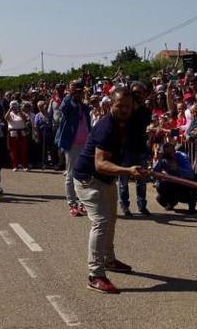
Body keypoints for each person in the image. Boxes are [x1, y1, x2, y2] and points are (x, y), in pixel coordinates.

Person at [72, 87, 149, 294]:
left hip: (106, 179)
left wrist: (140, 166)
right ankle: (95, 274)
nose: (124, 109)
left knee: (111, 218)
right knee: (101, 221)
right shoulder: (106, 127)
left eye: (127, 106)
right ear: (110, 106)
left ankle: (108, 260)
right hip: (88, 179)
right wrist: (128, 170)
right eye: (119, 106)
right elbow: (100, 163)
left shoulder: (129, 122)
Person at [117, 81, 151, 217]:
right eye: (134, 92)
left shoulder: (145, 111)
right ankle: (125, 206)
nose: (137, 95)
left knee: (141, 181)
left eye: (140, 93)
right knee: (123, 181)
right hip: (126, 150)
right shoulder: (125, 110)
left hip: (141, 150)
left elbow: (144, 124)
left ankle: (142, 206)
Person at [57, 81, 90, 216]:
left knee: (85, 175)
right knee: (71, 175)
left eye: (80, 92)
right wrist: (69, 95)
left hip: (86, 145)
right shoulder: (69, 105)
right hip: (72, 145)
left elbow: (88, 124)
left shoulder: (84, 107)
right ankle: (72, 203)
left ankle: (83, 203)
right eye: (76, 92)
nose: (78, 94)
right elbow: (63, 108)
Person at [152, 141, 197, 214]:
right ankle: (171, 202)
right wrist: (159, 160)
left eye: (170, 153)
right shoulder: (163, 159)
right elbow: (154, 173)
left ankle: (191, 204)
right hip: (172, 182)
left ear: (174, 151)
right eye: (166, 153)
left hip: (184, 183)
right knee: (160, 191)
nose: (169, 155)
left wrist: (178, 169)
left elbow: (191, 175)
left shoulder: (182, 157)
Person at [5, 100, 29, 172]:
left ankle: (24, 165)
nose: (14, 107)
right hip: (13, 133)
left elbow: (25, 119)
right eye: (13, 106)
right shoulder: (10, 114)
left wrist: (19, 110)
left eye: (15, 105)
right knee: (13, 151)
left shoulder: (21, 113)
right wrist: (10, 109)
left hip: (21, 132)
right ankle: (15, 165)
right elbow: (5, 117)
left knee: (23, 150)